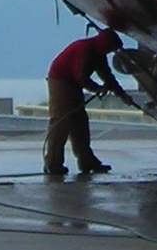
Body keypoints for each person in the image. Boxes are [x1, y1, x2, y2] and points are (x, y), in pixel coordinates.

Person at [44, 26, 131, 179]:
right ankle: (53, 163)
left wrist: (122, 95)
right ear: (106, 45)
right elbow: (81, 76)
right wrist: (96, 88)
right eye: (111, 49)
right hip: (60, 80)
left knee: (80, 122)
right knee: (62, 121)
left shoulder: (98, 53)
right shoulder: (85, 49)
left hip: (73, 84)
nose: (111, 53)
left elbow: (108, 78)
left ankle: (87, 161)